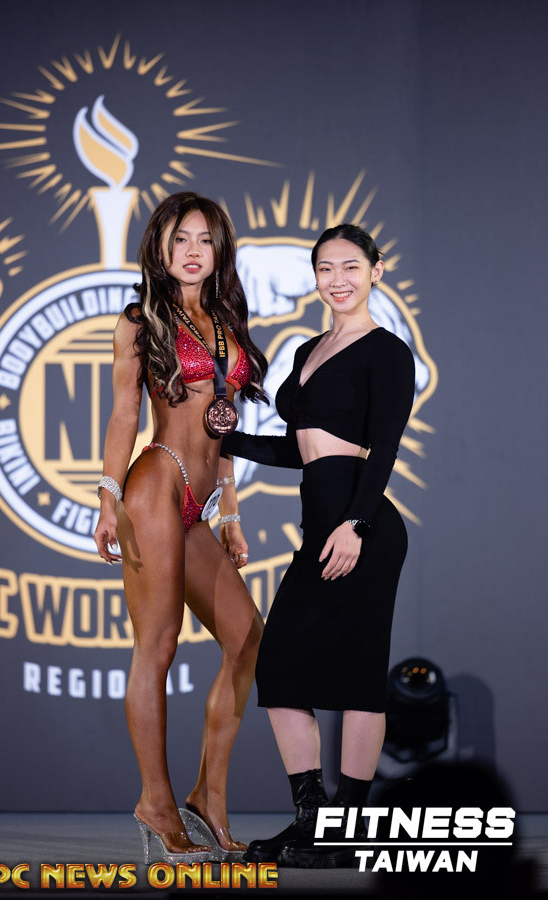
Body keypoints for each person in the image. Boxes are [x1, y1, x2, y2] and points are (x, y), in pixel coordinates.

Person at [222, 223, 415, 868]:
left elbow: (383, 447)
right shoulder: (308, 348)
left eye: (351, 267)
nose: (338, 280)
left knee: (359, 678)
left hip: (364, 528)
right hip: (320, 527)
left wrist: (355, 524)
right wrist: (228, 441)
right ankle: (312, 822)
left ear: (375, 271)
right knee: (279, 669)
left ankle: (349, 831)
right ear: (314, 278)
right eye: (326, 269)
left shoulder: (387, 352)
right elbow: (301, 451)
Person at [93, 192, 267, 865]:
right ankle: (156, 803)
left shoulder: (226, 319)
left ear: (220, 249)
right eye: (179, 239)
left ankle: (207, 799)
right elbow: (122, 416)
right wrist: (108, 498)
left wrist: (230, 511)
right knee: (158, 648)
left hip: (200, 501)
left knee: (248, 640)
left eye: (205, 239)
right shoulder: (140, 320)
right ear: (159, 249)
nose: (193, 251)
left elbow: (225, 424)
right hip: (155, 487)